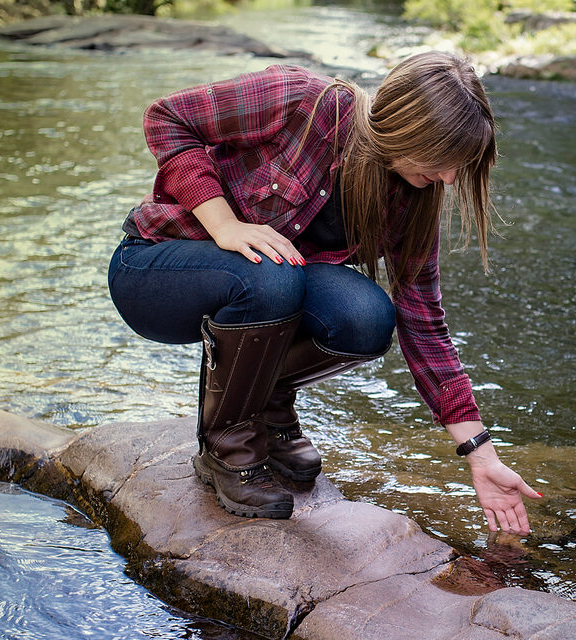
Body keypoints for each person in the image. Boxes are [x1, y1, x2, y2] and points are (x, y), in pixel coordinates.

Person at [107, 52, 540, 535]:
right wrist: (223, 223)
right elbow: (167, 116)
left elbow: (425, 322)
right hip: (154, 268)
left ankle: (264, 406)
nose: (451, 179)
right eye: (443, 160)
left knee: (367, 318)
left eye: (460, 166)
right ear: (406, 128)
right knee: (274, 275)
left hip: (266, 286)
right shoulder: (305, 102)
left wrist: (480, 454)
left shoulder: (411, 197)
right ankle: (226, 446)